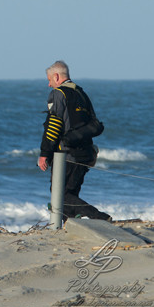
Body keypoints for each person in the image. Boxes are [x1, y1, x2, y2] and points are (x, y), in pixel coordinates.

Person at [37, 61, 111, 222]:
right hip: (85, 154)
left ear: (57, 77)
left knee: (60, 195)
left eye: (50, 80)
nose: (49, 84)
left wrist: (44, 154)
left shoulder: (58, 94)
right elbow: (93, 122)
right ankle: (67, 225)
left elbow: (53, 126)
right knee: (70, 194)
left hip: (67, 155)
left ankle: (99, 217)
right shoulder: (81, 94)